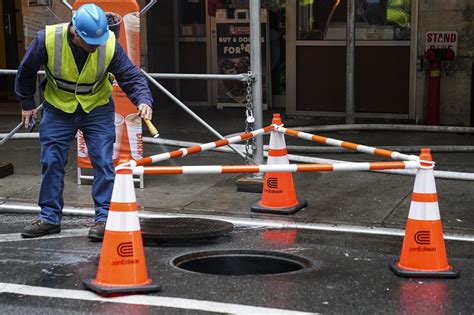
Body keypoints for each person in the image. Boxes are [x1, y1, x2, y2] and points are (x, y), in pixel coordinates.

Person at [15, 4, 154, 241]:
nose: (95, 46)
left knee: (103, 162)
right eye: (91, 41)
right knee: (52, 161)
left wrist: (143, 99)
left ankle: (104, 218)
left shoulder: (108, 42)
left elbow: (129, 75)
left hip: (96, 108)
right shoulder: (46, 39)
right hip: (58, 108)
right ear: (75, 32)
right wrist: (27, 102)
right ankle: (49, 218)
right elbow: (26, 70)